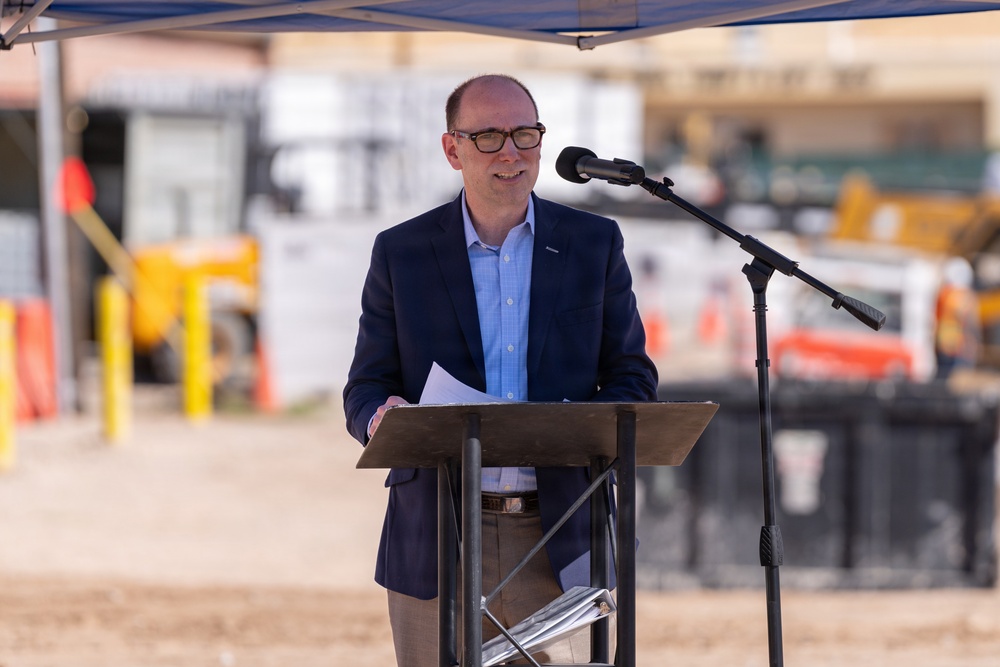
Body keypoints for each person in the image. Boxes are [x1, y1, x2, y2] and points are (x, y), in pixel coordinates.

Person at [343, 73, 658, 666]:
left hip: (561, 535)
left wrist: (574, 423)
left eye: (524, 133)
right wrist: (382, 416)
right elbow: (365, 387)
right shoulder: (401, 253)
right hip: (438, 536)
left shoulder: (595, 243)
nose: (510, 152)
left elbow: (632, 376)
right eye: (488, 136)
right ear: (451, 148)